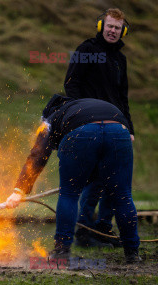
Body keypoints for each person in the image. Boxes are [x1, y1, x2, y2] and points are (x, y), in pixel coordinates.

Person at [5, 95, 140, 264]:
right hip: (119, 130)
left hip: (81, 133)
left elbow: (38, 155)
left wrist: (19, 190)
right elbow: (101, 144)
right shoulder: (85, 106)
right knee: (122, 196)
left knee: (69, 194)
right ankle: (132, 252)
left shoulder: (51, 119)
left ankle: (62, 250)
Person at [64, 8, 132, 248]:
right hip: (90, 125)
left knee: (114, 179)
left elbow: (122, 97)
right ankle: (84, 230)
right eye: (109, 26)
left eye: (117, 28)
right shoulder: (87, 50)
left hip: (116, 126)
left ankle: (103, 228)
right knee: (95, 180)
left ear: (122, 31)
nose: (112, 31)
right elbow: (71, 85)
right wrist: (79, 116)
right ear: (101, 26)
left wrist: (129, 128)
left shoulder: (119, 60)